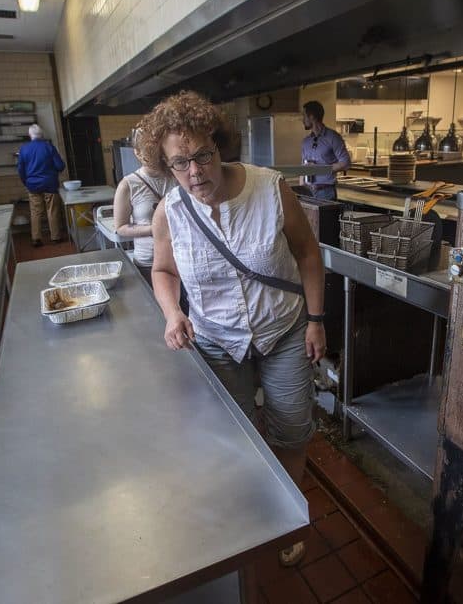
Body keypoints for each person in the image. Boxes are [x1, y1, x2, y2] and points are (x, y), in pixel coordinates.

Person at [140, 91, 326, 567]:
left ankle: (286, 516)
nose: (195, 172)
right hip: (217, 340)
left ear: (219, 145)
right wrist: (171, 313)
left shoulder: (270, 189)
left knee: (290, 429)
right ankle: (249, 514)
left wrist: (316, 320)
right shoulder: (171, 213)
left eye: (203, 155)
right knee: (236, 436)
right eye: (180, 163)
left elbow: (307, 253)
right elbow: (163, 272)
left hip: (283, 331)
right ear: (166, 166)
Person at [112, 137, 177, 284]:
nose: (156, 157)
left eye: (159, 151)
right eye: (150, 152)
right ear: (137, 153)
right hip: (148, 262)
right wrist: (155, 229)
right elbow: (121, 228)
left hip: (181, 258)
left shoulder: (176, 176)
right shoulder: (128, 185)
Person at [17, 124, 66, 246]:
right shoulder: (49, 147)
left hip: (32, 185)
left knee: (35, 212)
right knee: (52, 211)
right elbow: (60, 165)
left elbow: (20, 170)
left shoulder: (24, 149)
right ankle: (55, 237)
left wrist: (26, 182)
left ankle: (36, 239)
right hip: (50, 184)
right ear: (42, 135)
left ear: (30, 135)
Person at [300, 100, 351, 200]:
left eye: (304, 116)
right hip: (308, 192)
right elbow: (303, 167)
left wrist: (320, 169)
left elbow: (345, 163)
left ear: (312, 117)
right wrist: (301, 189)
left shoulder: (333, 137)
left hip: (326, 193)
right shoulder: (305, 142)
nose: (303, 120)